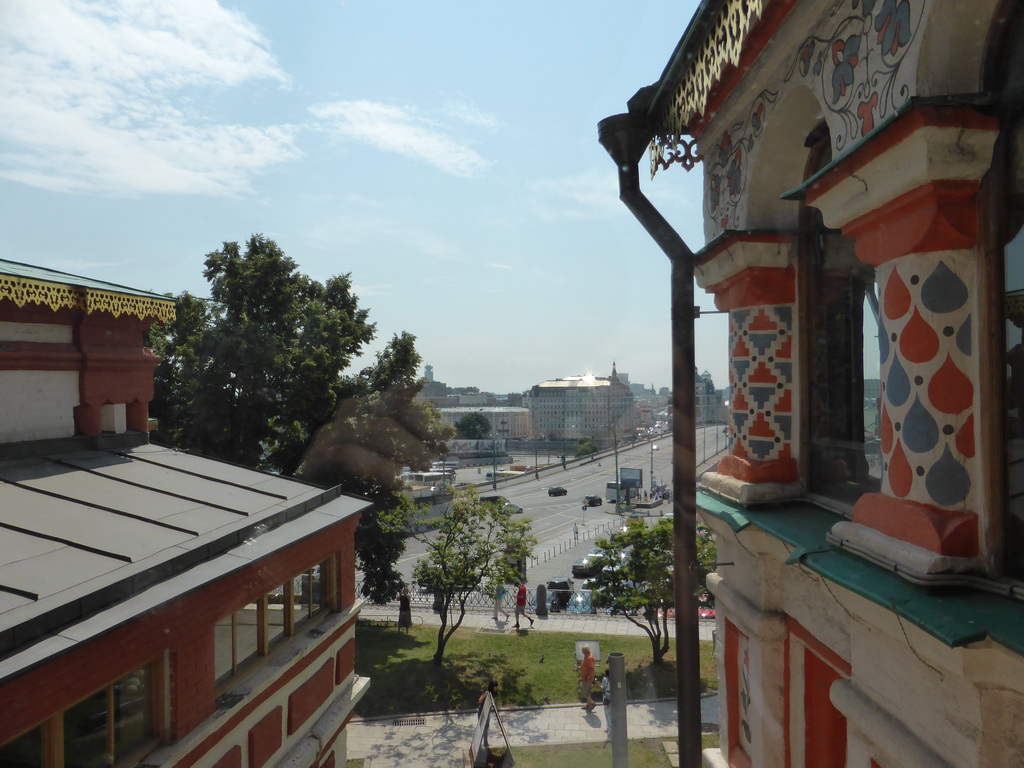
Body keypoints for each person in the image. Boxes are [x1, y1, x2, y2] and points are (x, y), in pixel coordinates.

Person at [477, 680, 499, 749]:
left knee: (486, 727)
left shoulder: (494, 693)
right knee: (481, 727)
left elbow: (493, 702)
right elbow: (479, 701)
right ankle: (478, 743)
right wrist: (485, 695)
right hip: (482, 711)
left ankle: (485, 742)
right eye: (495, 687)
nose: (496, 688)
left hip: (487, 711)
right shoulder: (486, 692)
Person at [579, 645, 596, 711]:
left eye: (583, 650)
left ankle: (592, 703)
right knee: (588, 692)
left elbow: (591, 669)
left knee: (584, 692)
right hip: (585, 677)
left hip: (587, 678)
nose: (582, 651)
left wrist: (588, 677)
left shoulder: (588, 658)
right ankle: (589, 706)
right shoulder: (587, 656)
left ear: (586, 651)